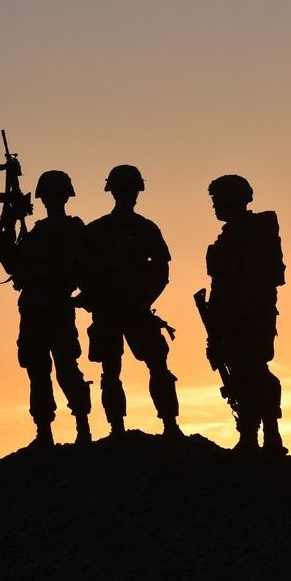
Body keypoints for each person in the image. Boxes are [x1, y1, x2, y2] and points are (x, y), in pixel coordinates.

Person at [80, 165, 181, 438]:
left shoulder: (145, 229)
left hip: (136, 309)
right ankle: (118, 428)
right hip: (109, 311)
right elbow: (82, 270)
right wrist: (94, 296)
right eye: (123, 190)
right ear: (113, 192)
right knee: (111, 370)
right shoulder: (97, 230)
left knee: (157, 365)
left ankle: (169, 424)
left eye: (131, 190)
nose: (128, 195)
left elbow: (162, 269)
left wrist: (144, 298)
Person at [0, 170, 92, 448]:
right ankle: (44, 431)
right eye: (48, 196)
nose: (52, 201)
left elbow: (81, 265)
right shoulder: (35, 232)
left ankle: (82, 426)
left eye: (56, 195)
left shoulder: (74, 229)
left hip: (58, 306)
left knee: (66, 367)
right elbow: (9, 261)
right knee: (37, 370)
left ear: (65, 197)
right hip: (33, 308)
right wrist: (10, 219)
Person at [202, 175, 286, 453]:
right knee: (241, 375)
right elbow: (220, 286)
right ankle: (251, 435)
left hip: (251, 316)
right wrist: (215, 330)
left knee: (255, 373)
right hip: (232, 318)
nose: (214, 205)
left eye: (218, 199)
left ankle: (269, 435)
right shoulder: (228, 238)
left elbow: (263, 278)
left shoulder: (256, 231)